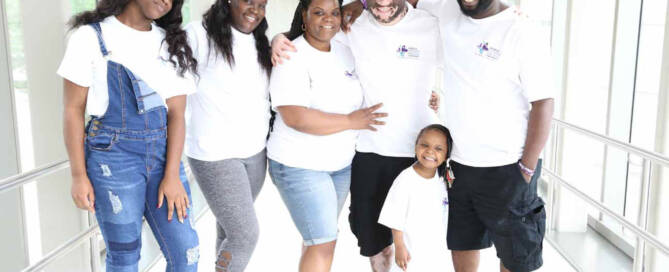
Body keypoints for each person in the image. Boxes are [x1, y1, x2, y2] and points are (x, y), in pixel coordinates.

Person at [344, 0, 555, 271]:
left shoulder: (522, 30)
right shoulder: (446, 8)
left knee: (515, 259)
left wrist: (527, 166)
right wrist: (355, 5)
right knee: (464, 245)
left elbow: (543, 102)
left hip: (508, 166)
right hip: (459, 165)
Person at [272, 1, 443, 270]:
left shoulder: (431, 24)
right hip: (367, 152)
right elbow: (310, 33)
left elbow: (469, 60)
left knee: (418, 241)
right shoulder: (352, 26)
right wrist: (277, 38)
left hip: (417, 154)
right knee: (365, 240)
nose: (383, 4)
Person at [60, 0, 200, 271]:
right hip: (112, 160)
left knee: (186, 253)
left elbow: (176, 116)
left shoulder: (172, 43)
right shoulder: (90, 37)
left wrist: (172, 174)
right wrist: (78, 175)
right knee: (124, 258)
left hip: (164, 158)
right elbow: (73, 110)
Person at [266, 0, 388, 271]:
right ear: (304, 17)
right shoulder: (291, 55)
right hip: (299, 165)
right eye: (318, 13)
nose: (328, 19)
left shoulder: (343, 49)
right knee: (323, 242)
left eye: (334, 12)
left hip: (339, 166)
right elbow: (295, 116)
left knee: (317, 239)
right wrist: (350, 121)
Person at [183, 0, 271, 271]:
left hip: (255, 153)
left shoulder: (259, 41)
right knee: (245, 234)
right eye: (248, 1)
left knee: (229, 231)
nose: (254, 9)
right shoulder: (198, 33)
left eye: (262, 4)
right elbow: (171, 85)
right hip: (214, 153)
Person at [378, 124, 454, 272]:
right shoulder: (405, 179)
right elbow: (394, 216)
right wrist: (399, 246)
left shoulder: (443, 179)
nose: (430, 151)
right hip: (410, 254)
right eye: (424, 145)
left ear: (446, 154)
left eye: (438, 149)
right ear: (415, 146)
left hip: (436, 254)